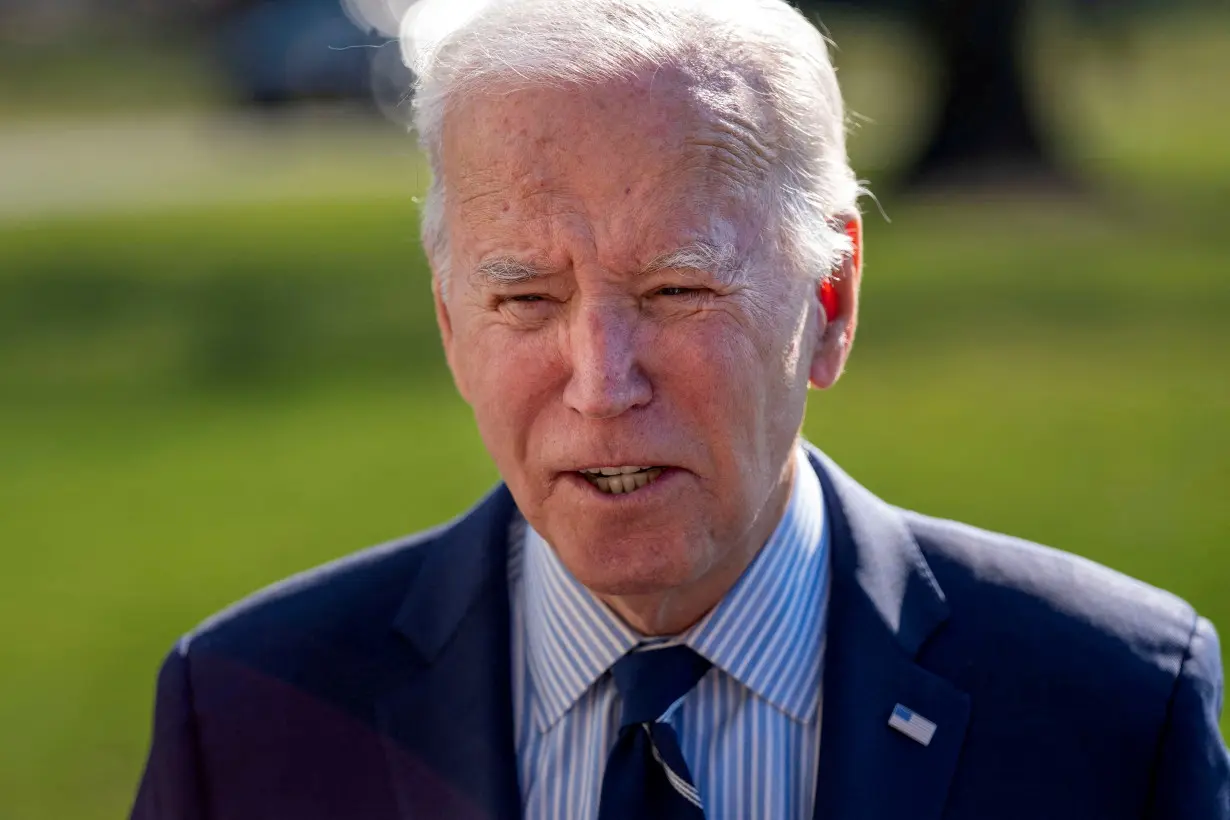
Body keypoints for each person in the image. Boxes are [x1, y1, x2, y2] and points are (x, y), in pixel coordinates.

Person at [130, 0, 1229, 817]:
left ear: (831, 301)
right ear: (450, 324)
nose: (603, 381)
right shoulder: (245, 717)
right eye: (525, 298)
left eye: (676, 292)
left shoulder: (1115, 704)